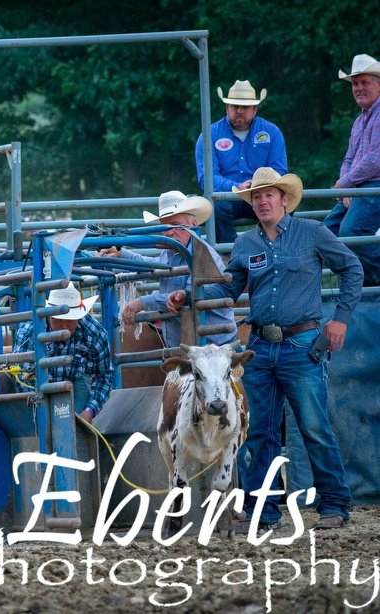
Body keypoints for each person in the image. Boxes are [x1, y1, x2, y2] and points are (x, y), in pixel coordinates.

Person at [208, 167, 363, 531]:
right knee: (260, 430)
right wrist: (190, 293)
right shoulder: (246, 245)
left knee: (313, 426)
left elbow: (352, 268)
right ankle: (264, 512)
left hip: (302, 343)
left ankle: (336, 504)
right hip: (260, 346)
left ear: (284, 199)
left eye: (269, 195)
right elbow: (229, 290)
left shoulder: (312, 232)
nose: (262, 201)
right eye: (257, 197)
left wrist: (340, 318)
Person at [97, 191, 237, 348]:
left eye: (176, 225)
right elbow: (158, 266)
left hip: (214, 348)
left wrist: (141, 303)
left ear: (193, 224)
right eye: (165, 227)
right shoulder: (173, 250)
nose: (169, 232)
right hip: (191, 345)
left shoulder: (202, 254)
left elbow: (184, 298)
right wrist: (122, 253)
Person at [195, 80, 287, 243]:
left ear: (255, 109)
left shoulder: (272, 132)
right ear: (227, 107)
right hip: (227, 198)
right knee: (216, 206)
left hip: (260, 193)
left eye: (244, 107)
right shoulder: (209, 135)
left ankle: (274, 249)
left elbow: (279, 172)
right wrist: (236, 188)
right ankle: (230, 256)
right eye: (234, 106)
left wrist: (258, 185)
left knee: (284, 203)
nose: (239, 111)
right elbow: (207, 177)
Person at [11, 282, 113, 424]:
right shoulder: (29, 332)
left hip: (74, 387)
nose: (64, 325)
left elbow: (103, 376)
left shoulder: (94, 333)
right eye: (58, 319)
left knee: (83, 384)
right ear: (49, 315)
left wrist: (89, 411)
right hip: (38, 393)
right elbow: (23, 379)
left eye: (70, 320)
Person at [325, 53, 380, 287]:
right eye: (355, 84)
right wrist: (344, 184)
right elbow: (348, 158)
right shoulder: (359, 121)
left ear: (378, 84)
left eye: (365, 82)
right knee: (326, 231)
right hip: (359, 186)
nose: (358, 88)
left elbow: (376, 160)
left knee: (351, 230)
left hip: (376, 185)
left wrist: (346, 183)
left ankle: (367, 284)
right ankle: (357, 284)